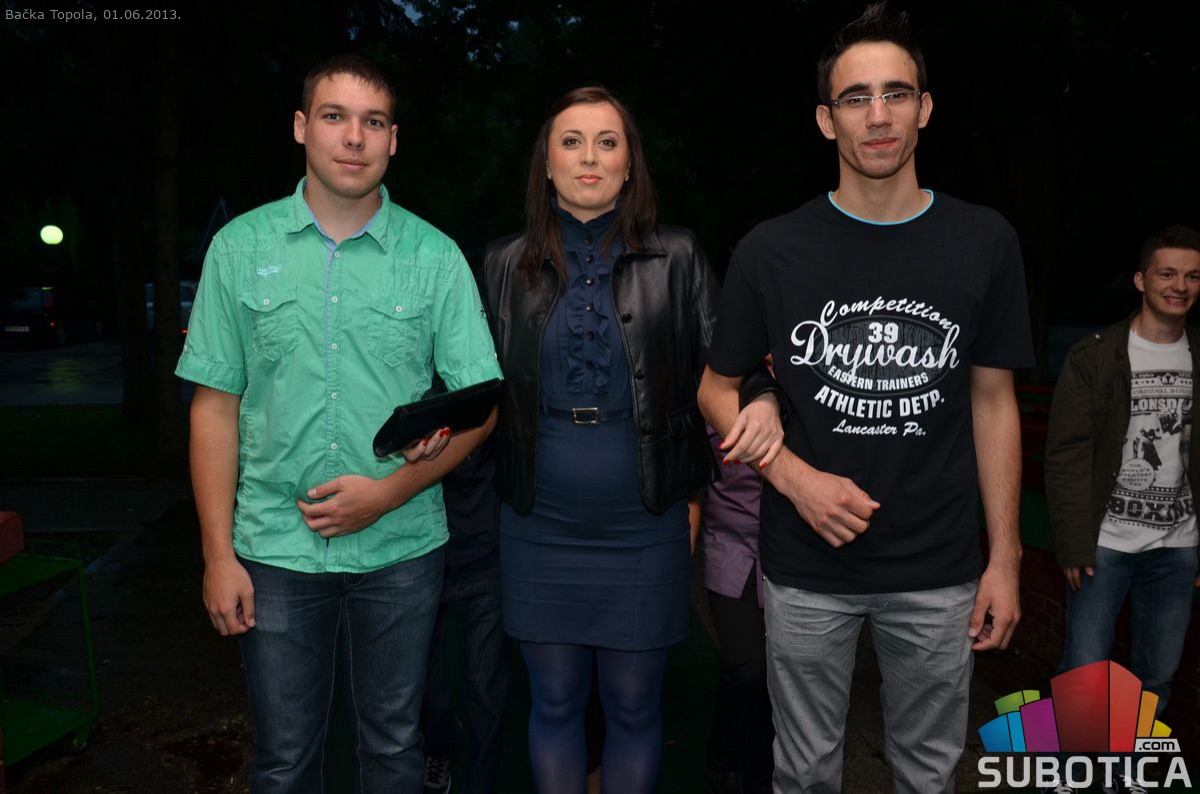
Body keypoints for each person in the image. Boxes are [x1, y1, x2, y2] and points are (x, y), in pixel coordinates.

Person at [697, 4, 1035, 792]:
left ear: (924, 108)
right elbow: (716, 390)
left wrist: (1007, 557)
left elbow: (994, 402)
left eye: (895, 94)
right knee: (805, 772)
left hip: (939, 567)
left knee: (928, 772)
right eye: (855, 98)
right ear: (827, 119)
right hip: (805, 566)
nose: (877, 116)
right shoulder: (772, 249)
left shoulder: (984, 241)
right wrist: (793, 479)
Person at [176, 54, 502, 791]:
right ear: (302, 127)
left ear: (393, 140)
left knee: (393, 748)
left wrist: (389, 492)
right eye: (335, 116)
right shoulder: (239, 249)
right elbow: (214, 409)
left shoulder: (435, 257)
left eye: (373, 122)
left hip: (402, 547)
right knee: (283, 760)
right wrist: (217, 556)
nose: (354, 137)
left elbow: (481, 407)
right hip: (274, 551)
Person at [481, 86, 780, 794]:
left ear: (629, 164)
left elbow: (732, 361)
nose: (589, 156)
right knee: (554, 701)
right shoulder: (501, 263)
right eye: (572, 141)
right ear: (546, 164)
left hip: (645, 522)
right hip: (537, 521)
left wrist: (764, 399)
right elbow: (468, 383)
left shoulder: (677, 256)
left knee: (635, 705)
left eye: (607, 141)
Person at [1045, 226, 1200, 723]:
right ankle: (1072, 762)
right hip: (1104, 546)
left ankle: (1128, 761)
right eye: (1167, 274)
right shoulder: (1094, 355)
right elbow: (1066, 454)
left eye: (1192, 276)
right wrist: (1073, 542)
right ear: (1140, 280)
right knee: (1084, 672)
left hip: (1178, 548)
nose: (1180, 286)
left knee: (1156, 675)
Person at [421, 436, 509, 794]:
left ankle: (481, 784)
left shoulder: (493, 404)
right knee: (418, 686)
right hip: (420, 554)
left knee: (485, 691)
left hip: (485, 555)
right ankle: (441, 742)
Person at [699, 419, 774, 794]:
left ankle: (766, 770)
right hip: (732, 543)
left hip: (800, 548)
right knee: (746, 667)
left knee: (785, 673)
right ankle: (725, 762)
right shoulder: (716, 393)